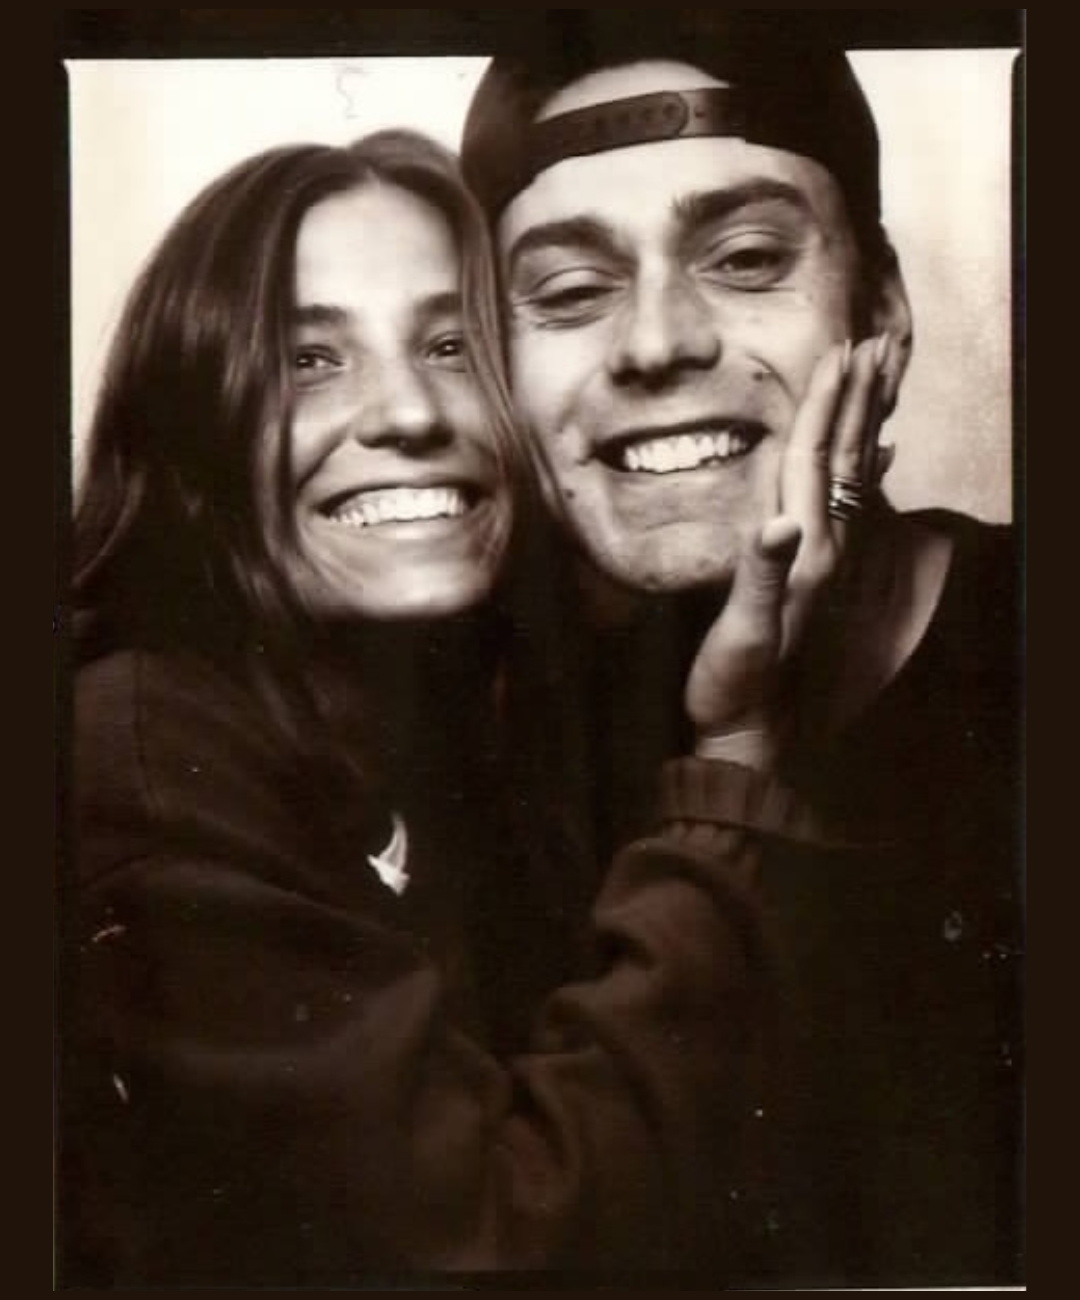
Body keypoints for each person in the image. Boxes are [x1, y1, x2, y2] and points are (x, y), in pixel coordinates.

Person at [59, 124, 883, 1284]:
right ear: (191, 431)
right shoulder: (140, 754)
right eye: (311, 361)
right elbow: (502, 1238)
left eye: (452, 346)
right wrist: (735, 755)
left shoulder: (418, 712)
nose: (411, 413)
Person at [460, 17, 1023, 1287]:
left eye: (748, 257)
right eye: (569, 291)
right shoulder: (457, 751)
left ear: (883, 313)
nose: (657, 341)